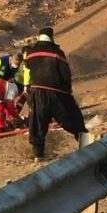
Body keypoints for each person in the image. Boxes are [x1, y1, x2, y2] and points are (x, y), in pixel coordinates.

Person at [24, 27, 87, 162]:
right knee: (74, 120)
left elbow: (28, 66)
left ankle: (38, 155)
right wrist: (67, 92)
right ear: (51, 37)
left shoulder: (31, 52)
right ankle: (86, 147)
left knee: (37, 124)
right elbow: (65, 74)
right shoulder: (57, 52)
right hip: (57, 93)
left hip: (37, 93)